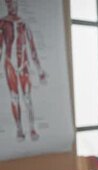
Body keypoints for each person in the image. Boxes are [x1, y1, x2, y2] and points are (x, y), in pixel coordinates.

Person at [0, 0, 47, 141]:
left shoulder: (24, 24)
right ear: (6, 5)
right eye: (9, 4)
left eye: (14, 3)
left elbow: (32, 48)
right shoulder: (2, 23)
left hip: (23, 65)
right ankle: (20, 130)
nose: (12, 6)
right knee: (15, 98)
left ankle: (32, 129)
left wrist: (39, 71)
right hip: (10, 66)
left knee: (27, 98)